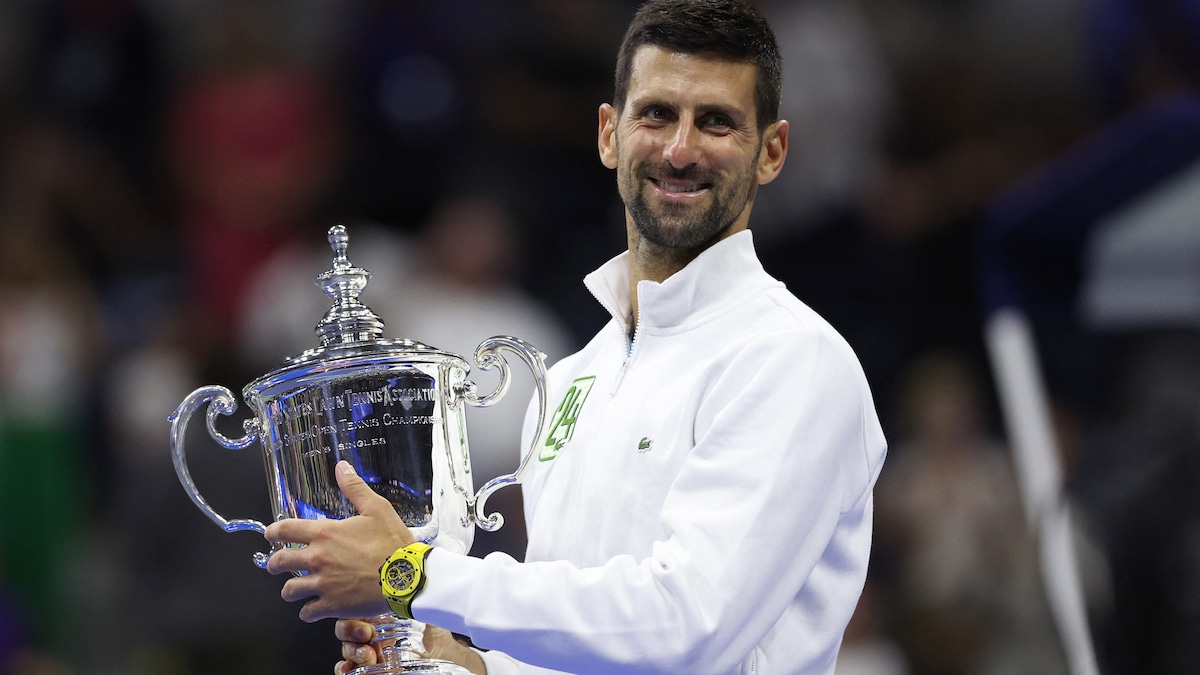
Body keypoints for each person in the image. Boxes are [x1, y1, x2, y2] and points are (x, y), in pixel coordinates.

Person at [264, 1, 888, 673]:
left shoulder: (794, 360)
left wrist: (413, 577)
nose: (680, 149)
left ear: (771, 152)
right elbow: (588, 653)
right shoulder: (567, 382)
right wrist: (466, 665)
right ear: (609, 135)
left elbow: (688, 624)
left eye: (716, 121)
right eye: (656, 114)